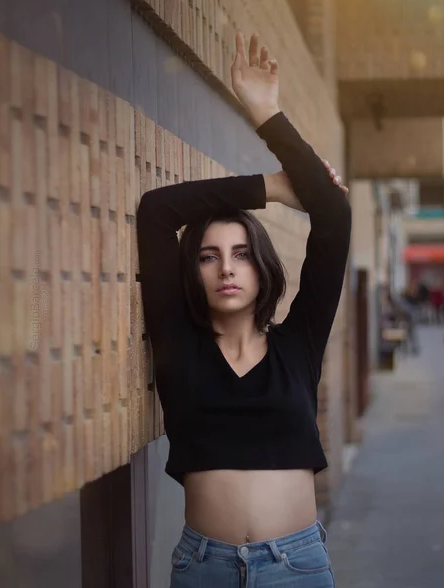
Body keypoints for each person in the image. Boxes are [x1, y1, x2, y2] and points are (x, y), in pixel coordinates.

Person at [137, 31, 351, 587]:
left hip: (297, 568)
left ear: (262, 267)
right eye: (209, 257)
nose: (226, 268)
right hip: (202, 568)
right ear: (194, 272)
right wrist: (273, 187)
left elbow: (333, 212)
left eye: (241, 254)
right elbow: (157, 211)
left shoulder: (298, 344)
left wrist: (267, 114)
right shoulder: (178, 344)